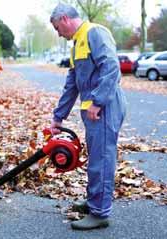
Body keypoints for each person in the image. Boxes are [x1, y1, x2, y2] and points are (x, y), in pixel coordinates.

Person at [50, 3, 126, 230]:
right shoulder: (77, 44)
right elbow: (72, 84)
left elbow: (111, 67)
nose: (57, 33)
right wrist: (58, 117)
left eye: (56, 27)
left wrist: (98, 101)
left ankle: (100, 213)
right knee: (96, 157)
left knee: (101, 158)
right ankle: (95, 201)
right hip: (94, 110)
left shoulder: (95, 32)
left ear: (64, 19)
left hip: (105, 107)